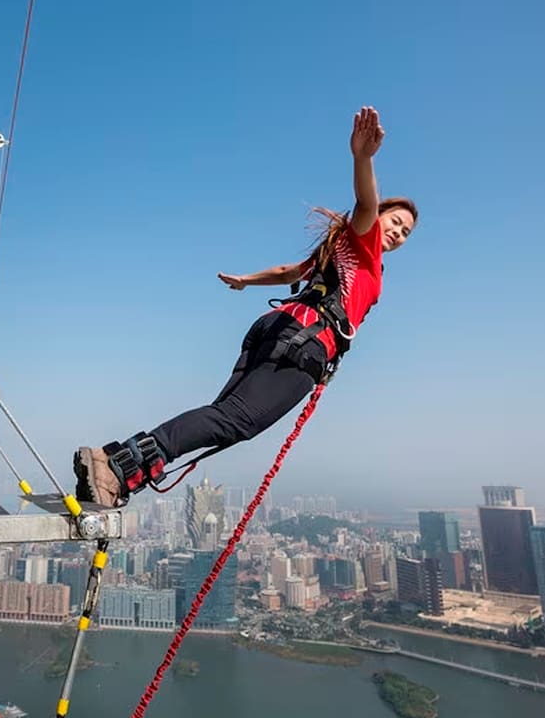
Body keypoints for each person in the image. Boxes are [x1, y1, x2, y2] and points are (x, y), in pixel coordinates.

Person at [74, 106, 417, 507]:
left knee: (224, 416)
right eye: (394, 221)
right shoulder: (366, 247)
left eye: (406, 233)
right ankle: (116, 465)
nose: (397, 232)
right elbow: (365, 203)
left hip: (277, 330)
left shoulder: (337, 249)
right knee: (236, 420)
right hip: (303, 344)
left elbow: (289, 271)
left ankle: (121, 468)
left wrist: (247, 280)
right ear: (380, 217)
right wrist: (363, 159)